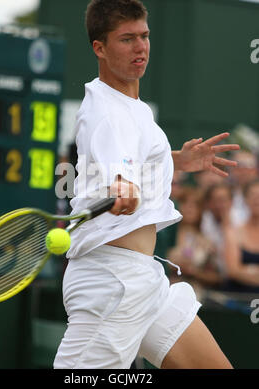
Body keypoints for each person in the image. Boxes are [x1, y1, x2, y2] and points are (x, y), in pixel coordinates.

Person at [53, 0, 239, 369]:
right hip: (112, 283)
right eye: (127, 39)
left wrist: (176, 160)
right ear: (99, 48)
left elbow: (130, 160)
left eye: (144, 36)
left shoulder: (133, 107)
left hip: (145, 281)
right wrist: (122, 187)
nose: (140, 48)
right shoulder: (105, 112)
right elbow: (117, 166)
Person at [167, 187, 222, 298]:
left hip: (195, 296)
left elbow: (217, 276)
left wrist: (195, 272)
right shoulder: (165, 236)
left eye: (195, 204)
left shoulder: (206, 242)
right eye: (184, 202)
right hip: (164, 292)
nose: (189, 208)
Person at [222, 179, 259, 293]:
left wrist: (247, 270)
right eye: (253, 195)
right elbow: (233, 270)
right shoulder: (233, 232)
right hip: (238, 299)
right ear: (245, 200)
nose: (256, 199)